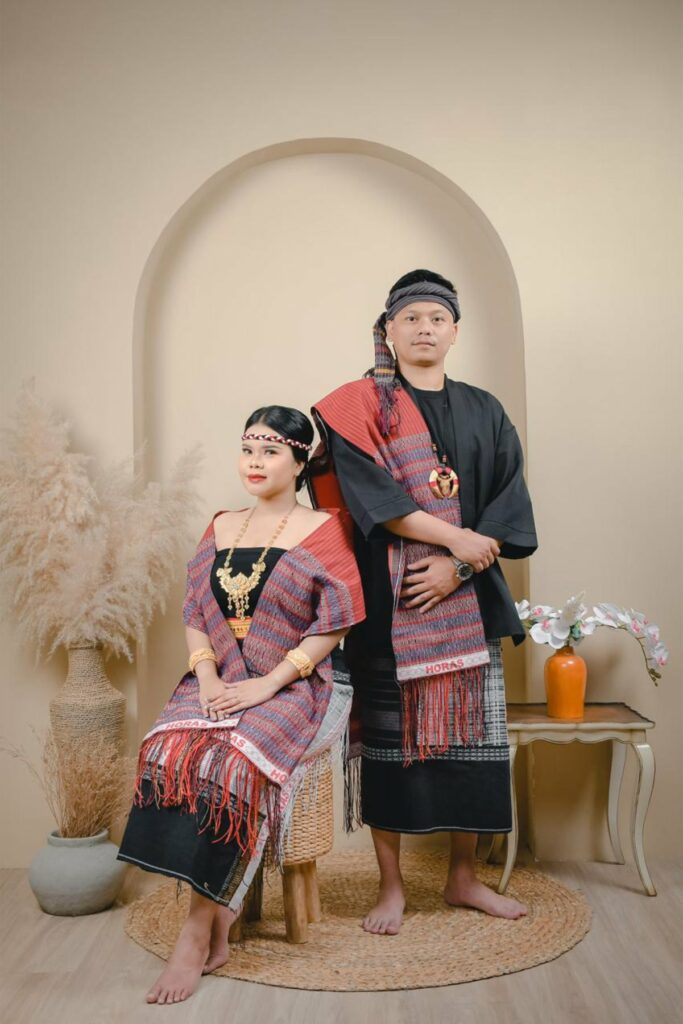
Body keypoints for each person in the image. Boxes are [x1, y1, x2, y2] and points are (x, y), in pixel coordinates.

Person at [311, 269, 537, 935]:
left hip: (467, 601)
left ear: (455, 331)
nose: (424, 329)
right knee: (390, 749)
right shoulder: (361, 408)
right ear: (388, 330)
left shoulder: (485, 410)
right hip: (389, 601)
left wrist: (456, 567)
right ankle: (391, 887)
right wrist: (456, 539)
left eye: (436, 318)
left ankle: (463, 878)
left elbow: (509, 503)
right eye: (409, 318)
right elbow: (369, 500)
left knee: (471, 745)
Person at [118, 405, 364, 1004]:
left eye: (270, 450)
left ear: (299, 462)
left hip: (297, 683)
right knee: (168, 752)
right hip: (220, 676)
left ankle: (197, 930)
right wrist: (206, 676)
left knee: (227, 763)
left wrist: (267, 684)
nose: (255, 462)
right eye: (248, 449)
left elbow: (335, 624)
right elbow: (194, 610)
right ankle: (220, 908)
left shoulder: (324, 529)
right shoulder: (221, 525)